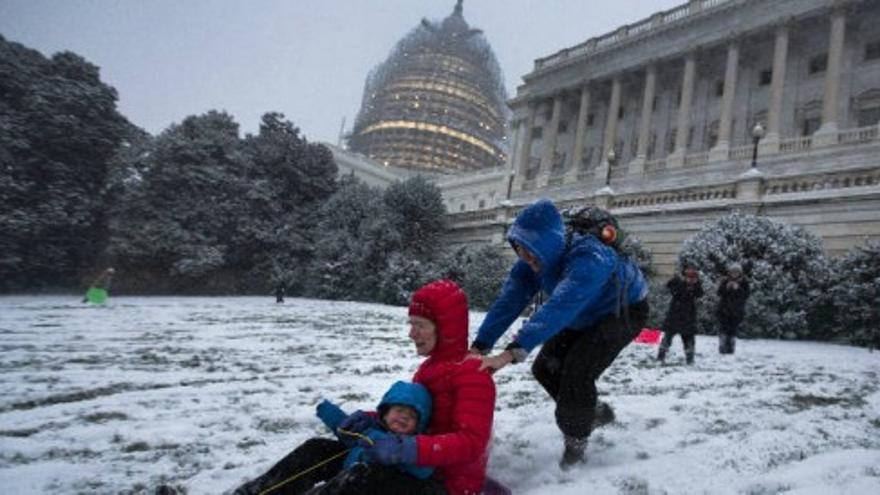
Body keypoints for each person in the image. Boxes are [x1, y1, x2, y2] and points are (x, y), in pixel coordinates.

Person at [235, 279, 500, 495]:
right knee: (316, 449)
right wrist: (370, 421)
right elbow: (416, 417)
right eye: (411, 325)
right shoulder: (429, 370)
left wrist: (406, 449)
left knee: (359, 479)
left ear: (445, 329)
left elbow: (472, 443)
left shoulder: (474, 375)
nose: (411, 333)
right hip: (406, 463)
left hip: (444, 484)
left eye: (419, 325)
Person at [470, 199, 649, 469]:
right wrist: (480, 346)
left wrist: (509, 354)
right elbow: (509, 302)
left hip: (620, 311)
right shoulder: (528, 264)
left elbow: (559, 307)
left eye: (532, 251)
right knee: (545, 369)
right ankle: (590, 413)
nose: (526, 258)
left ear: (550, 244)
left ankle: (576, 441)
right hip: (580, 313)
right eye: (520, 249)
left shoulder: (591, 257)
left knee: (577, 373)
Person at [233, 380, 436, 495]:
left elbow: (424, 468)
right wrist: (334, 417)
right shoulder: (371, 428)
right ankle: (258, 491)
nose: (403, 417)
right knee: (315, 447)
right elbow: (348, 435)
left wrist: (401, 452)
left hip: (370, 486)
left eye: (411, 417)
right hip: (346, 477)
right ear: (384, 412)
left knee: (359, 475)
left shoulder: (411, 445)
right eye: (399, 410)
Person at [657, 265, 704, 364]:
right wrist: (683, 283)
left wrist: (694, 285)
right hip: (675, 312)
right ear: (685, 270)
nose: (690, 271)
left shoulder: (696, 282)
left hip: (688, 314)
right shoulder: (677, 280)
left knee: (689, 337)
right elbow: (671, 289)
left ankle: (690, 358)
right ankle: (661, 356)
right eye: (688, 269)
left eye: (692, 270)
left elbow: (700, 294)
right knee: (668, 336)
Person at [717, 262, 749, 354]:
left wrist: (738, 289)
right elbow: (719, 293)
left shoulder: (744, 282)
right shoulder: (725, 281)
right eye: (733, 272)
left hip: (736, 311)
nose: (734, 274)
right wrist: (726, 288)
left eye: (737, 272)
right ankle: (722, 347)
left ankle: (731, 348)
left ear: (740, 273)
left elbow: (746, 295)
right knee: (723, 329)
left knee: (733, 330)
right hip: (724, 310)